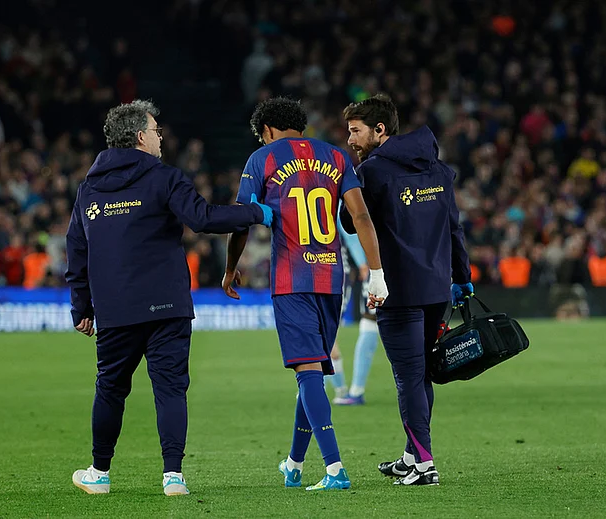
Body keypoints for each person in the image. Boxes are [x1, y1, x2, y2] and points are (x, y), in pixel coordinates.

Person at [65, 100, 273, 496]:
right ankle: (173, 476)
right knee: (171, 389)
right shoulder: (165, 178)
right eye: (156, 130)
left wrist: (82, 308)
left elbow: (77, 252)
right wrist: (256, 213)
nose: (161, 137)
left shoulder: (88, 189)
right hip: (167, 305)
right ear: (141, 137)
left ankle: (100, 472)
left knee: (110, 389)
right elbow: (204, 219)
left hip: (116, 309)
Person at [222, 97, 388, 491]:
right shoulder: (335, 156)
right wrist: (377, 271)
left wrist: (230, 269)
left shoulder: (262, 159)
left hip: (291, 278)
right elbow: (360, 216)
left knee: (308, 370)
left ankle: (334, 469)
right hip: (333, 278)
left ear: (267, 131)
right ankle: (294, 464)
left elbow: (243, 218)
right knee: (310, 369)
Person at [341, 93, 473, 486]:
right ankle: (412, 454)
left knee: (409, 378)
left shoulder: (373, 173)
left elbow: (352, 225)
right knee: (423, 376)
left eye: (356, 131)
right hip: (436, 289)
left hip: (397, 290)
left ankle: (425, 465)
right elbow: (454, 228)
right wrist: (462, 277)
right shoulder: (438, 169)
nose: (351, 139)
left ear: (380, 130)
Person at [331, 222, 384, 406]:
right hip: (380, 263)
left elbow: (351, 224)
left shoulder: (341, 197)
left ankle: (346, 391)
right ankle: (351, 391)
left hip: (369, 265)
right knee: (372, 321)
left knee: (325, 332)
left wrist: (362, 262)